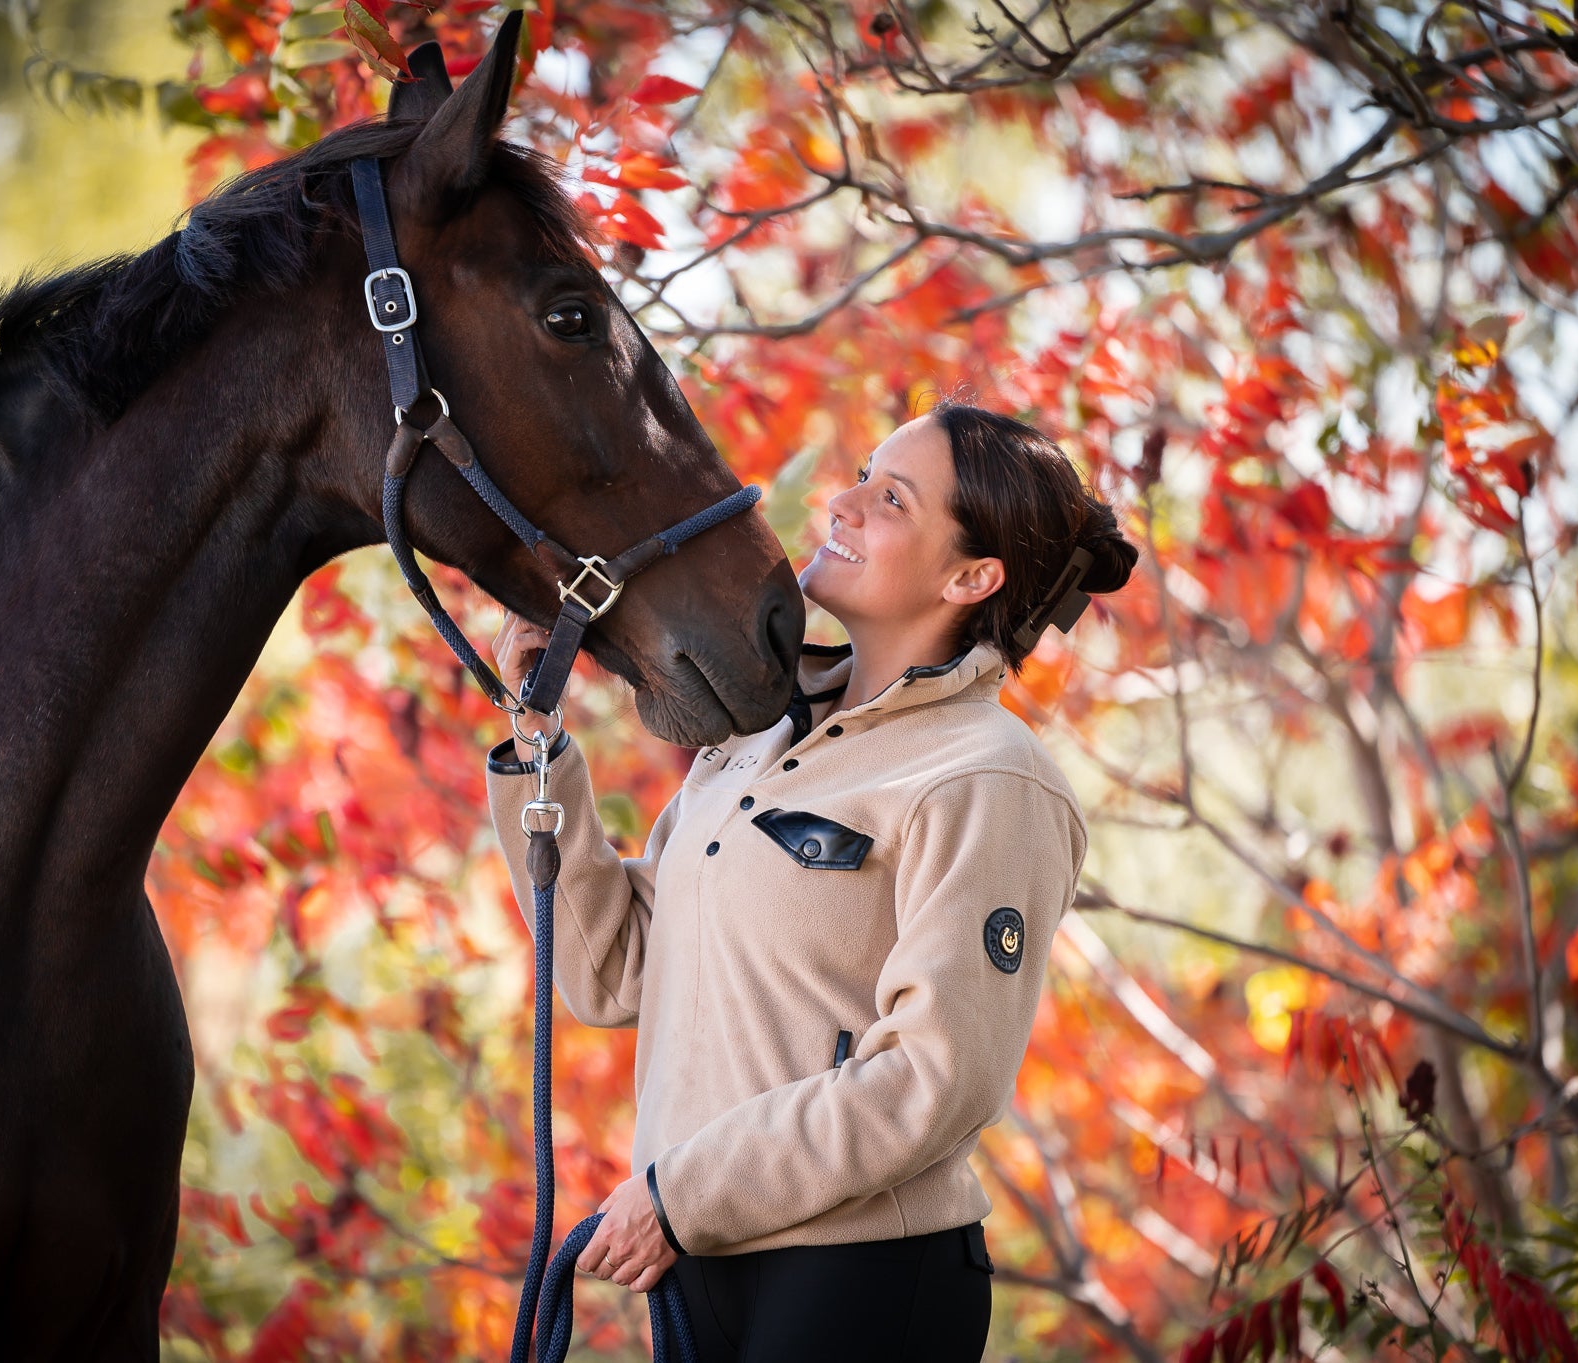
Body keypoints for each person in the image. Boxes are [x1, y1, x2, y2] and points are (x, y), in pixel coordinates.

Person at [485, 400, 1137, 1362]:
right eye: (863, 473)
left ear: (971, 576)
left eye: (892, 497)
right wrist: (534, 737)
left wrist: (684, 1195)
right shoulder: (754, 742)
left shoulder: (988, 776)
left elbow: (933, 1077)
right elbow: (613, 970)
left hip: (861, 1278)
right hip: (700, 1264)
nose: (844, 500)